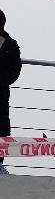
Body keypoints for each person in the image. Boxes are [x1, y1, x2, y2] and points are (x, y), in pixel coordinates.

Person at [0, 9, 22, 175]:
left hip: (0, 95)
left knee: (1, 129)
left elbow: (15, 70)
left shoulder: (10, 44)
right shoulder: (10, 44)